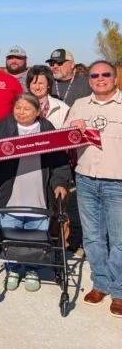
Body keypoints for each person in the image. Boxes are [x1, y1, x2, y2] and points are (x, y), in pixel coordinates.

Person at [0, 94, 70, 292]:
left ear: (37, 112)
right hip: (10, 190)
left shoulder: (46, 128)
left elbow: (59, 160)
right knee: (10, 231)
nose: (21, 112)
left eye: (26, 109)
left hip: (38, 189)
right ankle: (12, 268)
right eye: (17, 108)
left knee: (35, 232)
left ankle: (32, 269)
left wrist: (59, 183)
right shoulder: (4, 127)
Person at [67, 60, 122, 317]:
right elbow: (63, 137)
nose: (101, 78)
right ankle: (100, 283)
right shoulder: (79, 105)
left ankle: (119, 290)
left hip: (117, 182)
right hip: (86, 179)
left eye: (106, 74)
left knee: (119, 240)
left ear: (114, 77)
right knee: (92, 237)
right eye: (95, 75)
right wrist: (71, 130)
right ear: (88, 79)